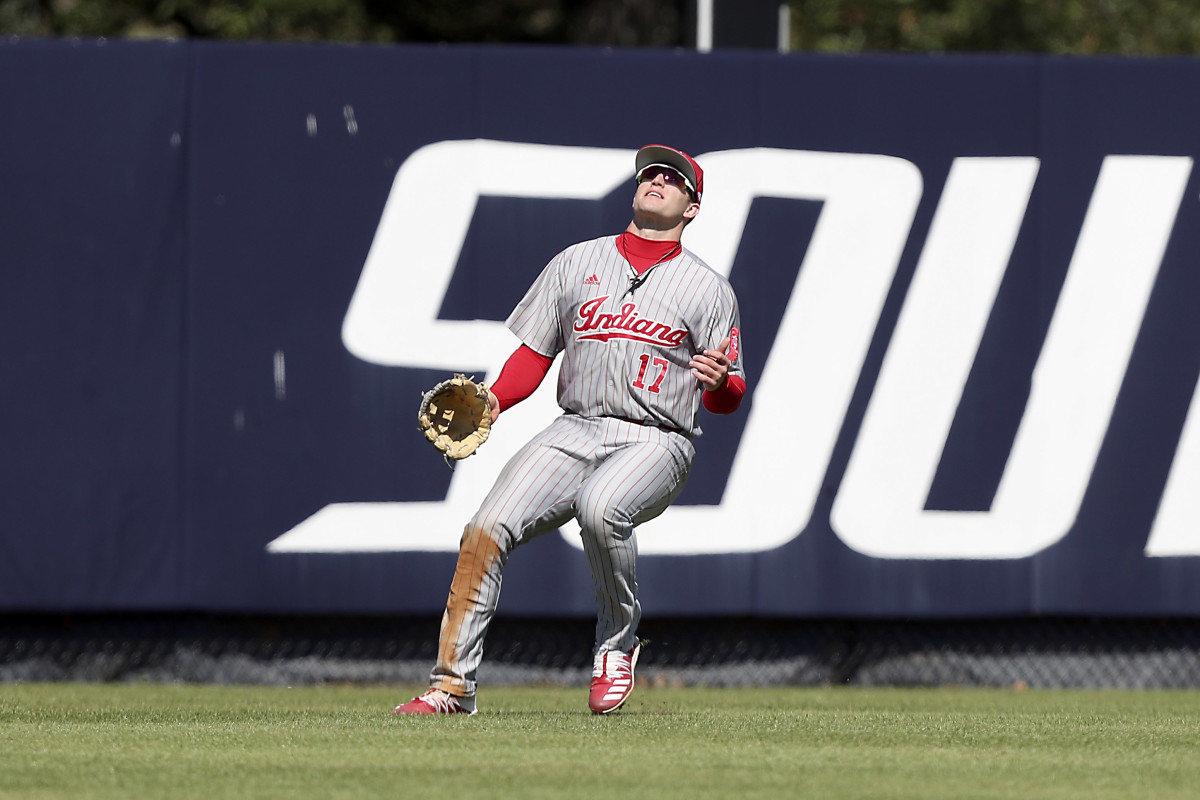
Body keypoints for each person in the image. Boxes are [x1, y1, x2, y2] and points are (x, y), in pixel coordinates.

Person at [392, 145, 747, 716]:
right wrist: (494, 402)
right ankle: (452, 688)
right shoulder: (577, 262)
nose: (656, 179)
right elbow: (534, 355)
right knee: (485, 528)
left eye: (673, 178)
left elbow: (729, 397)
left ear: (692, 207)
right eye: (650, 173)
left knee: (601, 507)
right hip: (575, 427)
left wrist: (721, 382)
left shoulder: (708, 288)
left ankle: (617, 643)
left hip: (658, 437)